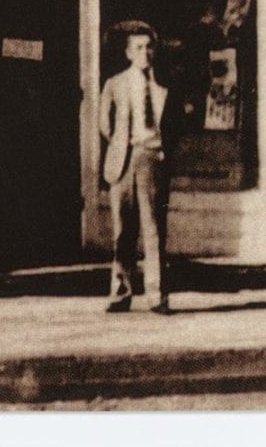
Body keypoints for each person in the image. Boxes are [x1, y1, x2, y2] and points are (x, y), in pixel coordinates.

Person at [100, 20, 171, 314]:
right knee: (123, 230)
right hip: (124, 159)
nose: (145, 53)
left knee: (153, 229)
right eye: (139, 48)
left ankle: (157, 296)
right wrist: (121, 143)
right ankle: (121, 292)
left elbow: (175, 122)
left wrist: (160, 149)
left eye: (149, 47)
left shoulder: (165, 84)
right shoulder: (115, 84)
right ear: (129, 53)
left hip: (151, 157)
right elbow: (105, 124)